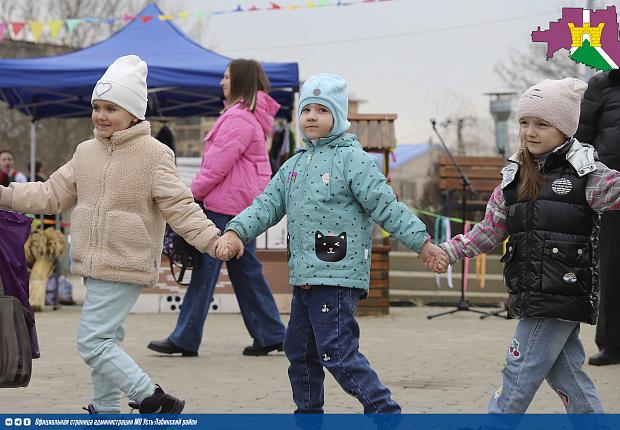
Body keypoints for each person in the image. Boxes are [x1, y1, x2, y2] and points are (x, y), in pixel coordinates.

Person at [215, 73, 448, 413]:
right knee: (299, 351)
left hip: (338, 277)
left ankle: (385, 411)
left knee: (336, 351)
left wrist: (422, 242)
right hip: (305, 276)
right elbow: (266, 205)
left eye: (322, 110)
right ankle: (308, 414)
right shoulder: (293, 165)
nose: (311, 116)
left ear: (337, 117)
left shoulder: (353, 160)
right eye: (306, 109)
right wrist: (236, 232)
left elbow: (386, 204)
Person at [0, 55, 221, 414]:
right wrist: (4, 194)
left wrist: (212, 239)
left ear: (134, 112)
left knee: (91, 342)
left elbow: (180, 206)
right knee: (107, 340)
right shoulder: (85, 152)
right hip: (93, 263)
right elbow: (50, 194)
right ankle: (106, 409)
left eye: (111, 108)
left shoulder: (154, 154)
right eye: (96, 107)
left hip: (126, 261)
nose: (100, 115)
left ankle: (150, 394)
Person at [431, 78, 612, 413]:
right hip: (530, 289)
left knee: (518, 370)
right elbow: (489, 231)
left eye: (542, 124)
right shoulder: (513, 178)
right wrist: (450, 251)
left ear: (565, 129)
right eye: (525, 122)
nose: (531, 132)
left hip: (561, 289)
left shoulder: (586, 174)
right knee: (567, 375)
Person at [148, 59, 286, 358]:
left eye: (226, 77)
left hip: (224, 207)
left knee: (205, 271)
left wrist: (190, 196)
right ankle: (271, 333)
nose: (222, 82)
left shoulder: (237, 119)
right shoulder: (251, 117)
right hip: (239, 205)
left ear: (240, 81)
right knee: (247, 272)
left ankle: (185, 337)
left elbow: (215, 167)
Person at [575, 70, 620, 366]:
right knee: (613, 266)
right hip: (612, 186)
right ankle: (613, 344)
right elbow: (582, 137)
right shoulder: (601, 85)